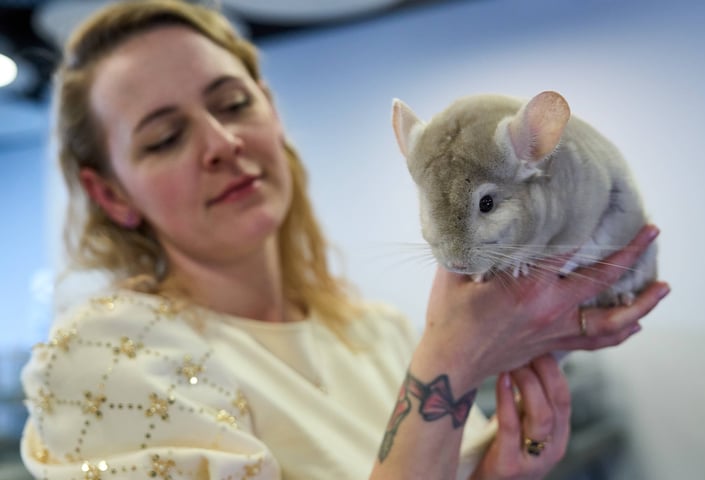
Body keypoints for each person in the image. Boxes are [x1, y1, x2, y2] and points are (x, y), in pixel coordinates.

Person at [18, 1, 670, 479]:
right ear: (111, 195)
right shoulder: (104, 360)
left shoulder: (379, 334)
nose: (221, 142)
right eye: (164, 138)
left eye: (234, 103)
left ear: (272, 113)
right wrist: (448, 364)